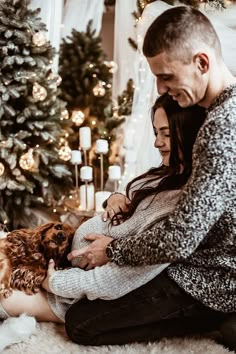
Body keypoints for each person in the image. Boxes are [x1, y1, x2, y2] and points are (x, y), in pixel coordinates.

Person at [64, 6, 236, 347]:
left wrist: (113, 251)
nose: (160, 87)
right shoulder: (213, 112)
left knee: (81, 323)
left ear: (202, 63)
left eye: (167, 77)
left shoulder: (221, 128)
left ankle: (210, 319)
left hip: (212, 275)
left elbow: (180, 239)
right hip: (202, 257)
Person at [0, 94, 206, 325]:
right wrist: (115, 198)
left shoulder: (186, 207)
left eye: (166, 134)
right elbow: (128, 198)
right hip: (60, 263)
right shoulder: (163, 175)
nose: (157, 142)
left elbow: (119, 278)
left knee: (3, 295)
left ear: (190, 134)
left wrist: (55, 282)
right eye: (156, 133)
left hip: (72, 292)